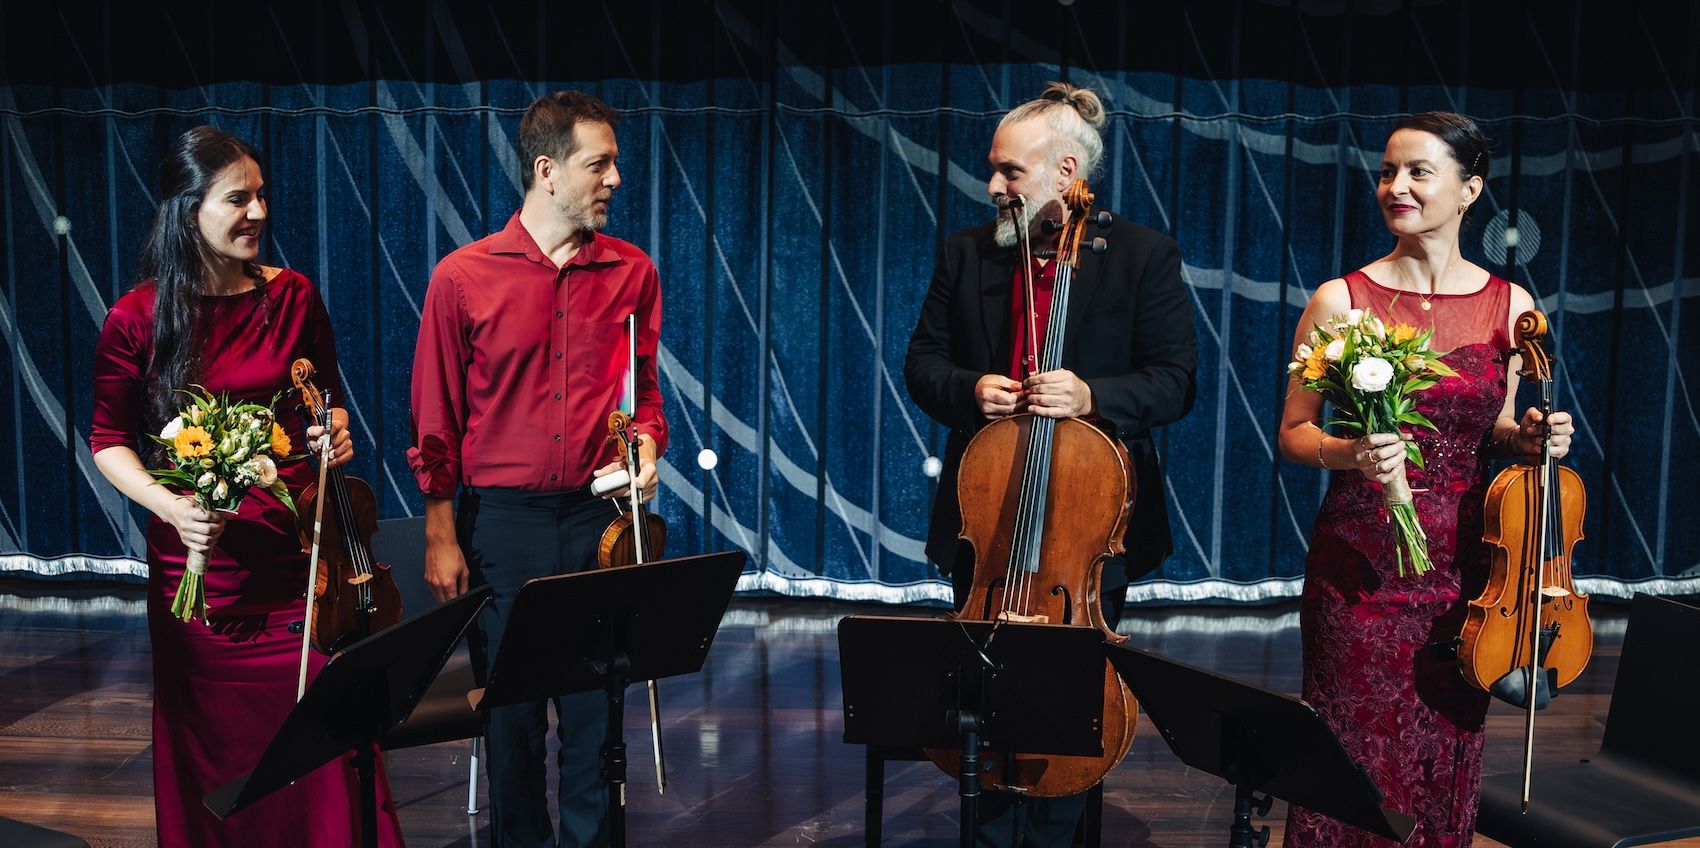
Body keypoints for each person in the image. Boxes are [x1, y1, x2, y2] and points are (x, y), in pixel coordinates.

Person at [89, 126, 403, 846]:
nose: (259, 212)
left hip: (301, 563)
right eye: (239, 199)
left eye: (262, 196)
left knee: (325, 742)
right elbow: (108, 441)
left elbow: (321, 405)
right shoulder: (136, 318)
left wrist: (335, 435)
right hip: (203, 577)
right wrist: (171, 506)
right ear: (186, 210)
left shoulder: (293, 298)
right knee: (218, 761)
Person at [903, 81, 1198, 847]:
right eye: (994, 171)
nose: (994, 186)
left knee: (1074, 711)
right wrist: (973, 390)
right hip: (989, 517)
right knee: (985, 703)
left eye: (1011, 173)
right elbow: (922, 363)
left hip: (1091, 527)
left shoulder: (1142, 256)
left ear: (1068, 174)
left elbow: (1175, 380)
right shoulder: (966, 255)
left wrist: (1091, 394)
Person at [1277, 111, 1576, 847]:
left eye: (1417, 172)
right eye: (1387, 172)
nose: (1396, 186)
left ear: (1470, 189)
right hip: (1362, 565)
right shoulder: (1340, 299)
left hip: (1467, 568)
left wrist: (1533, 434)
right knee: (1349, 745)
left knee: (1443, 748)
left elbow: (1496, 427)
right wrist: (1348, 454)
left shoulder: (1512, 305)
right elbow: (1292, 433)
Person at [409, 90, 665, 848]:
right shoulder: (463, 276)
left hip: (598, 521)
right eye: (600, 164)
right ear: (547, 170)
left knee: (597, 717)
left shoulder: (632, 273)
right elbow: (435, 419)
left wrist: (647, 441)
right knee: (512, 722)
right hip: (505, 527)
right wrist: (441, 533)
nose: (615, 178)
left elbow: (643, 392)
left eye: (615, 163)